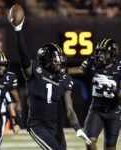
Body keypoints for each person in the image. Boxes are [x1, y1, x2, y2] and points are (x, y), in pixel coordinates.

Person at [8, 11, 91, 150]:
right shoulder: (35, 70)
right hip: (37, 125)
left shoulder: (65, 78)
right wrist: (18, 30)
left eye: (60, 59)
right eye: (55, 59)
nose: (59, 63)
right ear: (46, 60)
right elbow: (23, 56)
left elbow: (69, 110)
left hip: (56, 126)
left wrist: (77, 128)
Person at [68, 38, 121, 150]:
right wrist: (61, 70)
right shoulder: (93, 63)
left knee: (110, 147)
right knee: (89, 141)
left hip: (114, 112)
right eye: (100, 52)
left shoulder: (119, 68)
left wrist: (111, 87)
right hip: (96, 110)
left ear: (113, 55)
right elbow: (77, 70)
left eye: (105, 53)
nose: (101, 55)